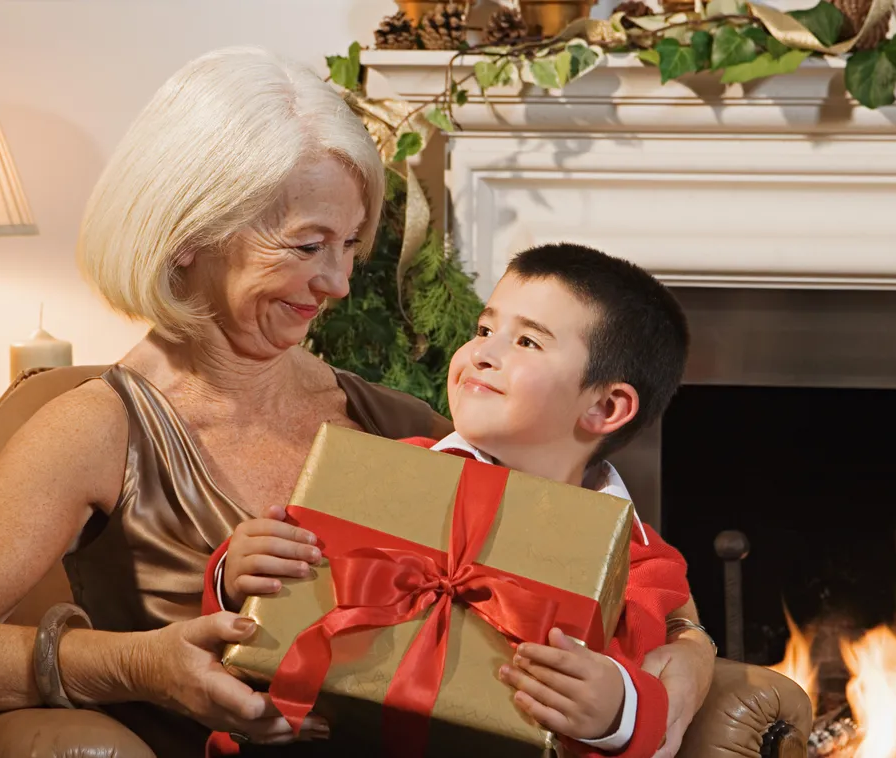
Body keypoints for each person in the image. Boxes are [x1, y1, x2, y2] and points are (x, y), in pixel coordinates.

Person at [0, 47, 715, 757]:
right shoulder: (96, 425)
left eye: (350, 245)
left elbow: (642, 596)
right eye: (307, 245)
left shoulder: (400, 426)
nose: (338, 283)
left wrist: (660, 700)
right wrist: (135, 665)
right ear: (188, 233)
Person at [204, 243, 699, 757]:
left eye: (527, 341)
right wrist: (234, 574)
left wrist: (616, 711)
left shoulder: (642, 561)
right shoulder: (384, 471)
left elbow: (647, 682)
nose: (482, 352)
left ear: (605, 406)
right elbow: (286, 591)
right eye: (485, 330)